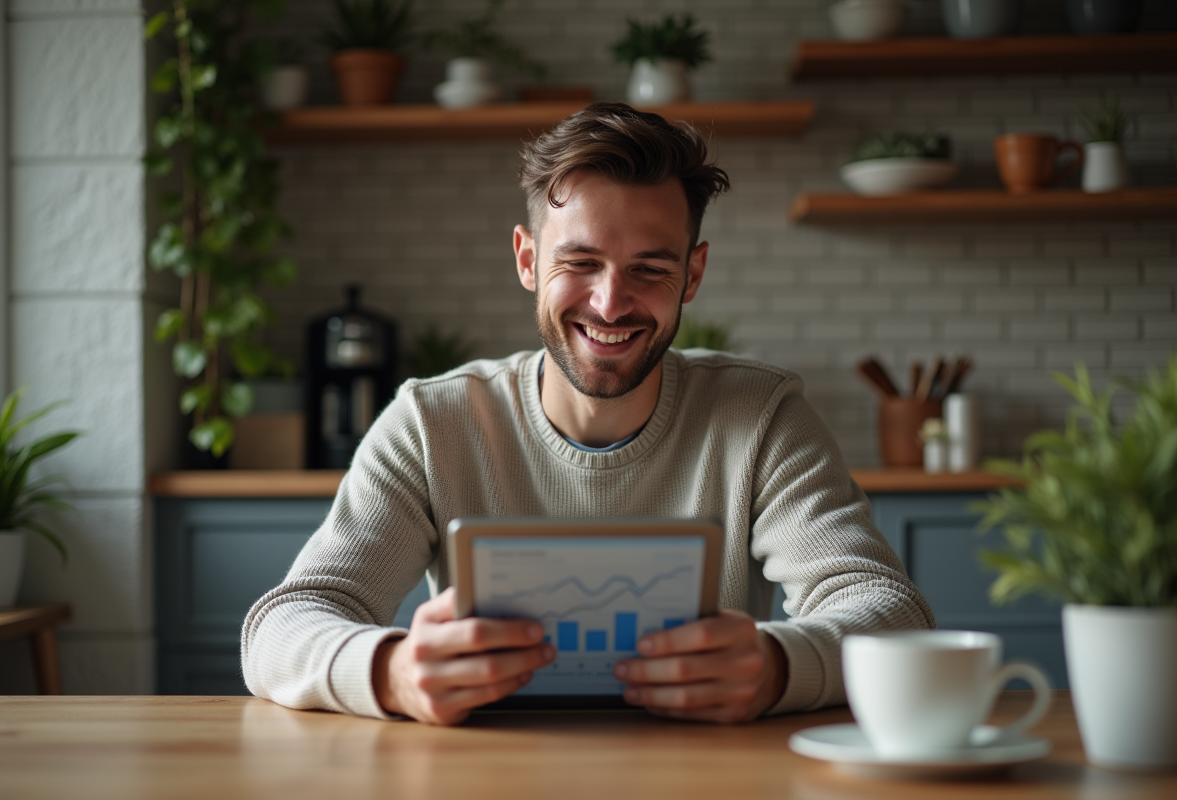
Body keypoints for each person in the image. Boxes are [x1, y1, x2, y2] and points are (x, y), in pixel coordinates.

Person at [242, 102, 934, 726]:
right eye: (580, 261)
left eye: (650, 270)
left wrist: (778, 666)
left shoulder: (761, 416)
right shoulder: (433, 422)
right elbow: (279, 629)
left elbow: (893, 613)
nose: (610, 304)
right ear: (527, 258)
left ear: (692, 275)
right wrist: (392, 673)